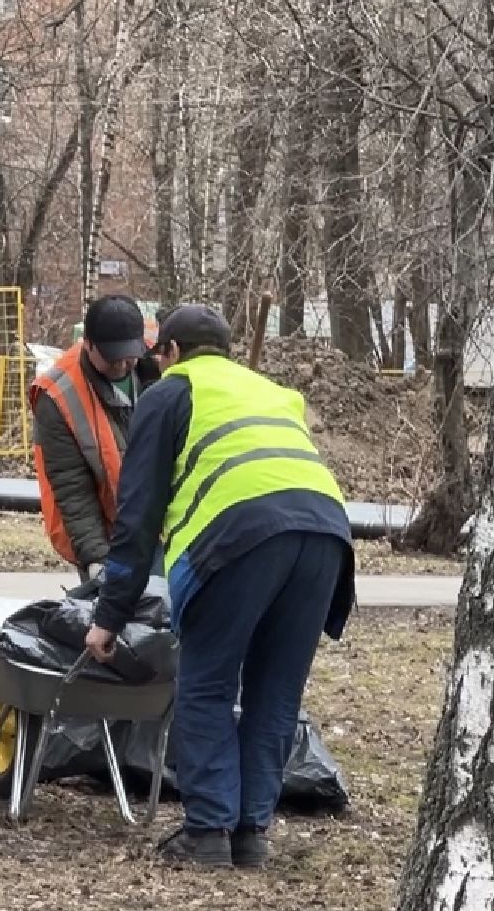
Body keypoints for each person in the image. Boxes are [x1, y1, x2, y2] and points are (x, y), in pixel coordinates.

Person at [82, 304, 354, 869]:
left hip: (240, 536)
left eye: (159, 355)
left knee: (206, 686)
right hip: (327, 534)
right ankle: (251, 833)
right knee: (275, 693)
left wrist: (108, 617)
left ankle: (207, 833)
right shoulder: (270, 392)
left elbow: (136, 518)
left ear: (173, 352)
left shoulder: (171, 392)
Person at [29, 296, 161, 580]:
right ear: (88, 344)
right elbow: (72, 488)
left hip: (161, 526)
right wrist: (97, 557)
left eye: (131, 355)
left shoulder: (158, 363)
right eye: (113, 358)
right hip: (106, 534)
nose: (124, 365)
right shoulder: (58, 396)